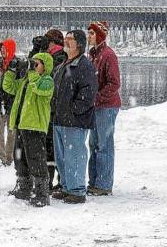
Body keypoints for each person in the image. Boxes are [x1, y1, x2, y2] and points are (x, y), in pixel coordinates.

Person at [51, 30, 98, 204]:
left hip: (75, 120)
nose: (66, 41)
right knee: (62, 157)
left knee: (75, 155)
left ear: (79, 43)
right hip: (60, 119)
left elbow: (89, 93)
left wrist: (73, 109)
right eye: (66, 39)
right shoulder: (64, 64)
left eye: (70, 39)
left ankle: (77, 190)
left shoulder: (85, 66)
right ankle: (66, 186)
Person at [3, 52, 54, 207]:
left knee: (36, 159)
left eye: (37, 64)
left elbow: (40, 89)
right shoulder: (26, 81)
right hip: (21, 125)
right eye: (33, 63)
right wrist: (11, 71)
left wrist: (31, 72)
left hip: (35, 126)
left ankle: (42, 193)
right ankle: (24, 187)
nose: (33, 66)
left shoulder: (47, 81)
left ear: (45, 67)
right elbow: (8, 87)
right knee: (20, 158)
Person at [87, 21, 121, 195]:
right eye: (89, 33)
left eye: (92, 33)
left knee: (104, 145)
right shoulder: (92, 55)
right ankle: (94, 181)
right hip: (96, 106)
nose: (89, 36)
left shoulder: (108, 55)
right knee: (93, 144)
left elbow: (114, 83)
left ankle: (104, 184)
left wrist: (97, 98)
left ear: (100, 35)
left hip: (107, 107)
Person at [43, 29, 67, 191]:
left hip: (55, 110)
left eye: (47, 41)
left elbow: (49, 78)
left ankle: (57, 182)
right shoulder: (50, 57)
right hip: (50, 109)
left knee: (53, 147)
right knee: (51, 147)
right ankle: (51, 181)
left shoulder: (59, 58)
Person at [0, 38, 17, 166]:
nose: (3, 51)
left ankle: (10, 156)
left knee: (11, 131)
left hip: (12, 102)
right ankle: (0, 156)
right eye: (1, 49)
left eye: (5, 49)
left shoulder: (17, 63)